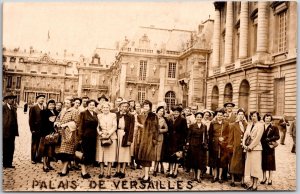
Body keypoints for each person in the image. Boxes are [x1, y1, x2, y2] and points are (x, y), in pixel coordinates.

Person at [135, 100, 159, 183]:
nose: (146, 107)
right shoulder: (140, 115)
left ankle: (147, 177)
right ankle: (143, 175)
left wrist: (154, 140)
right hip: (141, 139)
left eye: (147, 106)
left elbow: (155, 129)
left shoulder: (153, 116)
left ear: (150, 107)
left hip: (149, 139)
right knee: (141, 158)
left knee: (147, 159)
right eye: (144, 106)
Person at [55, 97, 79, 176]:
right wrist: (57, 123)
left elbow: (76, 123)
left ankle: (64, 170)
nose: (66, 104)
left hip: (69, 134)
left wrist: (65, 125)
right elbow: (58, 118)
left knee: (66, 152)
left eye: (68, 103)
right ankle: (65, 168)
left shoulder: (74, 111)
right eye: (65, 103)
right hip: (61, 133)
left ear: (71, 104)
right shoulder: (63, 110)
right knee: (61, 152)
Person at [77, 99, 98, 179]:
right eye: (90, 105)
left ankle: (86, 170)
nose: (92, 106)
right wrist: (80, 138)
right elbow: (80, 126)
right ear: (87, 105)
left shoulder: (95, 114)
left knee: (90, 153)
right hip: (85, 136)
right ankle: (83, 172)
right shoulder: (83, 113)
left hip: (93, 136)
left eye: (93, 105)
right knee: (84, 154)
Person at [242, 111, 264, 191]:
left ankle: (255, 184)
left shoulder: (260, 125)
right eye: (252, 116)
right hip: (248, 148)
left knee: (255, 167)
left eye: (254, 116)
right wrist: (244, 144)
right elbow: (245, 135)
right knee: (250, 167)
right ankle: (251, 183)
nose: (253, 117)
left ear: (258, 116)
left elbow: (258, 138)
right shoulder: (249, 125)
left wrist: (250, 146)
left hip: (256, 149)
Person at [114, 99, 135, 178]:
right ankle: (117, 170)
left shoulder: (131, 116)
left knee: (124, 154)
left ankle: (123, 171)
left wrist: (130, 140)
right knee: (118, 153)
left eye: (126, 106)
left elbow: (132, 129)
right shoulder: (116, 115)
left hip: (125, 135)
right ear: (119, 106)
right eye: (123, 106)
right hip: (117, 135)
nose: (124, 108)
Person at [96, 102, 117, 179]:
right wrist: (101, 133)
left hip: (111, 137)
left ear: (109, 108)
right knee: (101, 155)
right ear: (101, 109)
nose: (105, 109)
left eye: (107, 107)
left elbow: (115, 126)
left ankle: (108, 172)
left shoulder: (113, 115)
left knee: (110, 155)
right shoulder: (99, 116)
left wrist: (108, 133)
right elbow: (97, 127)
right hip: (101, 137)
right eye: (104, 107)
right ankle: (101, 172)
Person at [208, 108, 230, 183]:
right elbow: (210, 135)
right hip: (214, 144)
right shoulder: (213, 123)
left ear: (223, 116)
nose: (219, 116)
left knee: (221, 161)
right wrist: (211, 143)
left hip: (223, 145)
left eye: (221, 115)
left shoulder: (226, 124)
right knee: (214, 161)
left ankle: (220, 177)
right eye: (218, 115)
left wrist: (223, 138)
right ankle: (215, 176)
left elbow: (228, 134)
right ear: (216, 116)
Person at [228, 108, 248, 188]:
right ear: (237, 115)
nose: (240, 116)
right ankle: (232, 181)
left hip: (243, 147)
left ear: (244, 116)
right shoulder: (233, 125)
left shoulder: (246, 125)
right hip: (235, 147)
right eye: (239, 114)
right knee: (234, 164)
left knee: (243, 164)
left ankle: (243, 181)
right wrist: (231, 146)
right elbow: (230, 138)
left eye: (242, 115)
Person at [186, 111, 208, 183]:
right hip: (193, 145)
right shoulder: (192, 126)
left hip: (201, 146)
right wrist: (188, 143)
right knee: (193, 161)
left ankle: (198, 177)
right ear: (195, 117)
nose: (199, 118)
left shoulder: (204, 126)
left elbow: (206, 136)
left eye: (200, 117)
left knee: (200, 161)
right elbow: (188, 136)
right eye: (197, 117)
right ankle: (194, 176)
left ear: (202, 118)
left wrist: (205, 143)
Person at [167, 105, 188, 178]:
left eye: (177, 112)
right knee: (171, 156)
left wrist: (183, 141)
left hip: (179, 141)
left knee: (177, 156)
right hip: (171, 140)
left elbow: (185, 132)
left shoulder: (183, 120)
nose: (175, 113)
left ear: (179, 113)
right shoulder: (170, 119)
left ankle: (175, 171)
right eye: (174, 112)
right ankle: (170, 171)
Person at [39, 99, 59, 172]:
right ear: (47, 105)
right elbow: (42, 123)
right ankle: (44, 165)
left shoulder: (56, 112)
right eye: (50, 104)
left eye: (53, 104)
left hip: (54, 133)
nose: (52, 106)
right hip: (46, 133)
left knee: (51, 150)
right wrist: (46, 133)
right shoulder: (43, 112)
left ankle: (49, 164)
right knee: (45, 149)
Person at [261, 113, 280, 185]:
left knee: (270, 164)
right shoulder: (261, 127)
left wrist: (269, 139)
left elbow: (277, 136)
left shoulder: (274, 127)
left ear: (271, 119)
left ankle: (270, 178)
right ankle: (264, 177)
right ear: (264, 119)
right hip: (262, 147)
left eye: (269, 118)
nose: (267, 120)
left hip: (270, 148)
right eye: (266, 118)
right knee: (263, 163)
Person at [3, 93, 18, 168]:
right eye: (10, 98)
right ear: (6, 100)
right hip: (5, 132)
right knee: (5, 148)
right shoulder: (3, 108)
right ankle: (4, 163)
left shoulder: (13, 108)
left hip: (12, 132)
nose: (12, 100)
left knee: (11, 148)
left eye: (13, 98)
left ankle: (9, 163)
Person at [29, 94, 45, 164]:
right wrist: (32, 129)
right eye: (41, 98)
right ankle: (33, 158)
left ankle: (38, 158)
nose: (42, 100)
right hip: (35, 129)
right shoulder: (33, 107)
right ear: (37, 99)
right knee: (34, 144)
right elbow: (30, 119)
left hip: (42, 129)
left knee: (40, 145)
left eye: (43, 98)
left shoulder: (44, 107)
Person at [153, 106, 168, 176]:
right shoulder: (153, 118)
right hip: (152, 138)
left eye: (162, 111)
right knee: (153, 154)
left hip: (159, 138)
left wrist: (159, 130)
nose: (161, 112)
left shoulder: (163, 120)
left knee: (158, 154)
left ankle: (155, 170)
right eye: (160, 111)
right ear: (157, 111)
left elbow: (166, 129)